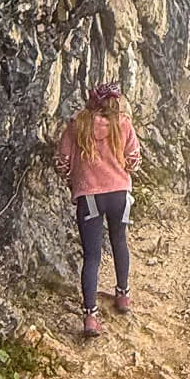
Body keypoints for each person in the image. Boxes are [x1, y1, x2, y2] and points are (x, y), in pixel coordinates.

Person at [56, 82, 141, 336]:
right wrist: (120, 166)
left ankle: (91, 316)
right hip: (119, 193)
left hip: (90, 195)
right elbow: (134, 160)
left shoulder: (77, 124)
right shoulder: (123, 123)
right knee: (119, 242)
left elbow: (61, 162)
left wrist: (73, 176)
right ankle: (123, 296)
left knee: (92, 256)